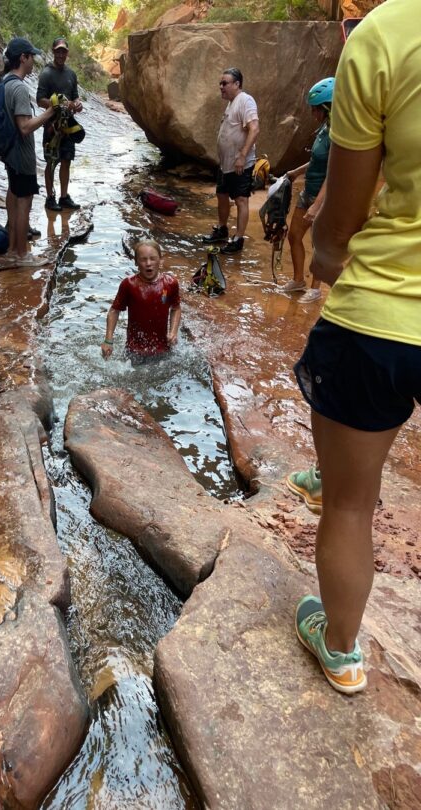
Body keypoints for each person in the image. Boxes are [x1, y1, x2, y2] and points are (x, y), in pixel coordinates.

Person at [294, 0, 421, 695]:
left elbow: (340, 217)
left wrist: (326, 253)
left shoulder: (387, 35)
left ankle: (341, 651)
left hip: (382, 314)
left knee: (348, 504)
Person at [2, 37, 56, 266]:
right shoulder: (19, 88)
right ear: (22, 58)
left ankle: (13, 250)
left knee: (13, 196)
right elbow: (24, 127)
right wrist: (48, 113)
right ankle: (22, 254)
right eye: (31, 56)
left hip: (9, 152)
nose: (33, 60)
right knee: (24, 201)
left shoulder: (4, 82)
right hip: (22, 154)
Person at [282, 78, 334, 304]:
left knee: (319, 245)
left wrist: (316, 205)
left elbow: (334, 174)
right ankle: (298, 280)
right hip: (309, 191)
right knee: (294, 235)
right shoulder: (324, 128)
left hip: (325, 199)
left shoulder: (338, 133)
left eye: (316, 109)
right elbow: (316, 159)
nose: (313, 114)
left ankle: (315, 288)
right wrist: (295, 172)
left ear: (327, 107)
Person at [202, 68, 259, 254]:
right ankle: (222, 229)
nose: (221, 87)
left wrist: (242, 155)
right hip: (225, 164)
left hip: (239, 163)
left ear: (237, 84)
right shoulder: (232, 103)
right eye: (220, 83)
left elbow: (254, 129)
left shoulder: (245, 100)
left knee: (241, 199)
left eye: (225, 83)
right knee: (222, 195)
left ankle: (238, 238)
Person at [101, 240, 181, 364]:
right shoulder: (129, 284)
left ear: (160, 260)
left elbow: (176, 308)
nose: (148, 263)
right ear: (136, 262)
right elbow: (114, 311)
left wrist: (173, 332)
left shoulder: (170, 283)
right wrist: (108, 340)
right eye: (143, 260)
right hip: (134, 350)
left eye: (152, 259)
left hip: (163, 348)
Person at [36, 37, 83, 212]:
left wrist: (77, 103)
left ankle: (64, 196)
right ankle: (50, 197)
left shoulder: (71, 74)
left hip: (68, 126)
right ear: (53, 52)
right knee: (51, 162)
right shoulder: (46, 74)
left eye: (63, 51)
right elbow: (40, 99)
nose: (61, 54)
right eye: (58, 51)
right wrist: (58, 104)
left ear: (67, 53)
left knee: (66, 160)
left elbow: (75, 95)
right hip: (51, 126)